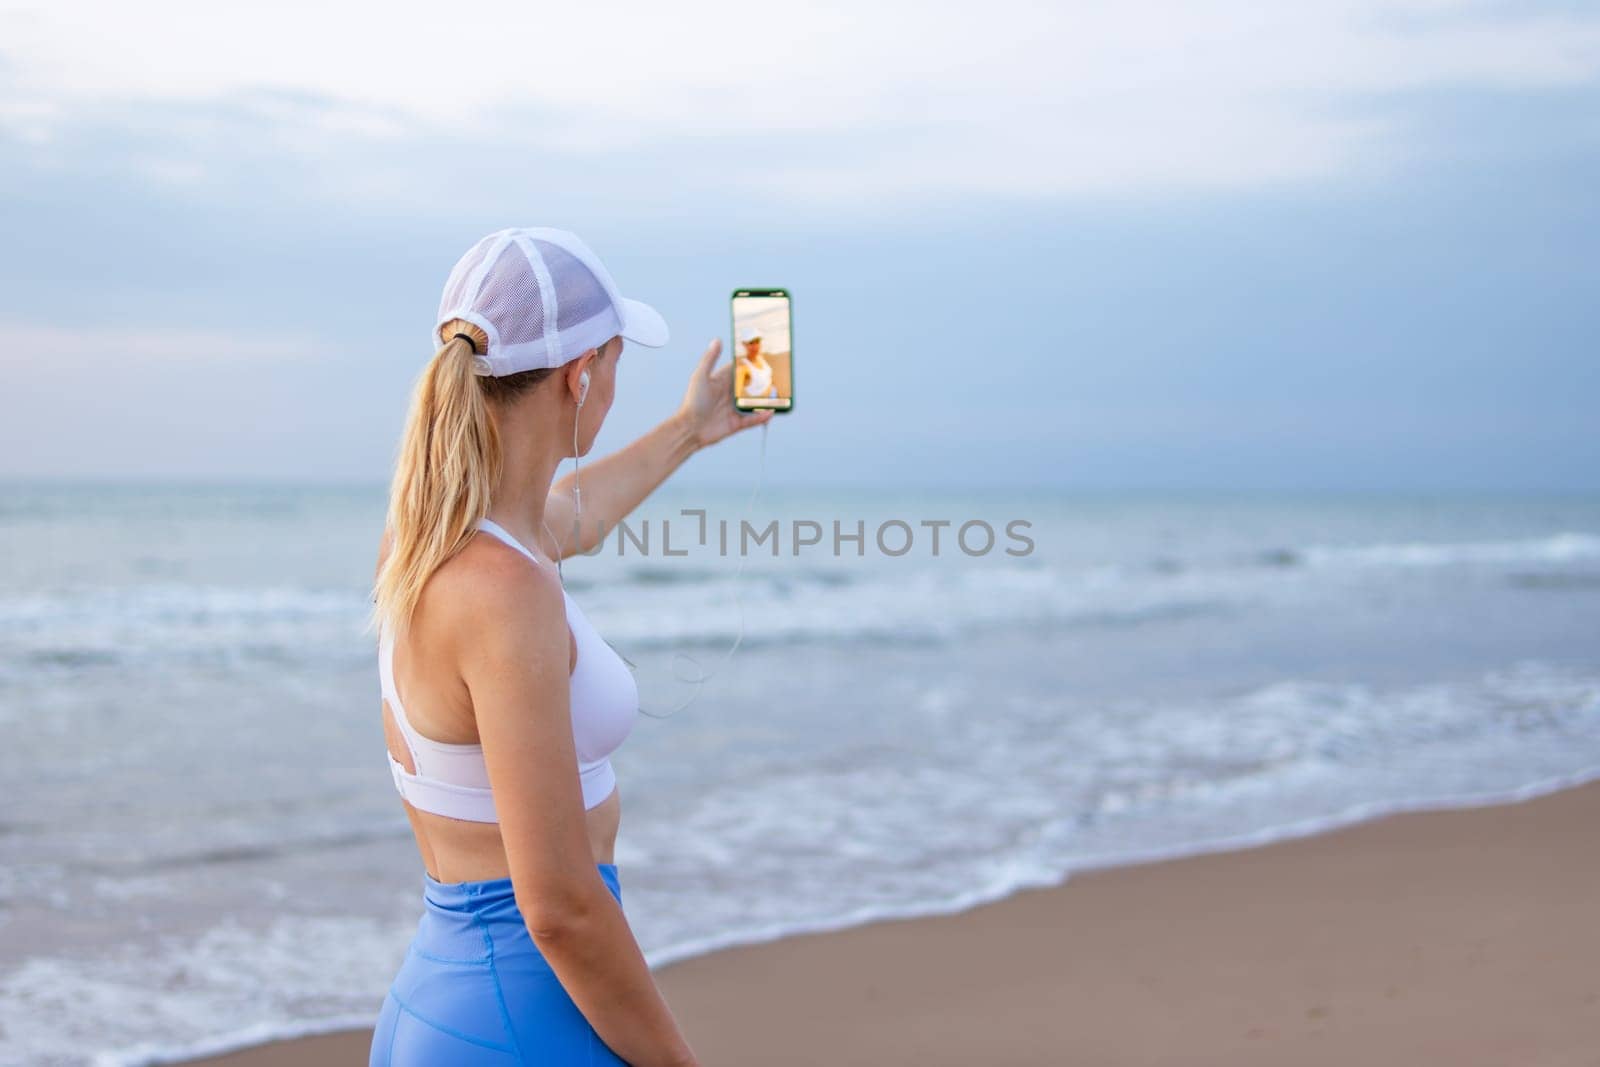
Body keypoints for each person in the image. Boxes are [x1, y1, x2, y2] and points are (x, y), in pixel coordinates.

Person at [367, 227, 772, 1066]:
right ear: (581, 374)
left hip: (445, 996)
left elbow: (571, 517)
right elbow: (557, 904)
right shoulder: (504, 592)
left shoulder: (441, 542)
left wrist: (692, 429)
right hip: (518, 1017)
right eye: (617, 360)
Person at [733, 325, 777, 399]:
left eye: (757, 341)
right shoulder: (742, 369)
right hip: (763, 405)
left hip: (774, 394)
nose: (755, 346)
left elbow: (767, 377)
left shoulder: (760, 356)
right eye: (751, 342)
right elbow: (736, 398)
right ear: (744, 344)